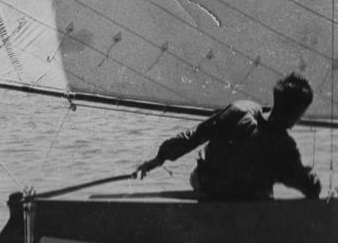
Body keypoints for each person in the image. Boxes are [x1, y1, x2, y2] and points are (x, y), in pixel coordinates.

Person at [135, 72, 321, 200]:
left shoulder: (240, 108)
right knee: (262, 189)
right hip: (236, 200)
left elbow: (193, 136)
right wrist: (313, 179)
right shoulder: (283, 145)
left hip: (203, 183)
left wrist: (158, 159)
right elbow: (309, 187)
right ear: (296, 114)